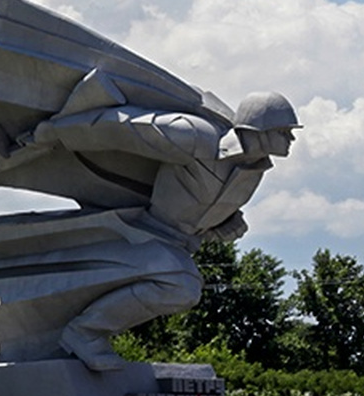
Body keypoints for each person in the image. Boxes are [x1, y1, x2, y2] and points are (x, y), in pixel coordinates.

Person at [26, 91, 299, 370]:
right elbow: (123, 126)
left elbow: (203, 220)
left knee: (183, 286)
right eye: (284, 132)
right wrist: (52, 130)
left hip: (179, 245)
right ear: (258, 129)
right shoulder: (196, 137)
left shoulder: (254, 172)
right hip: (140, 232)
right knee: (181, 286)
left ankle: (83, 332)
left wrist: (226, 225)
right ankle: (84, 332)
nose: (291, 139)